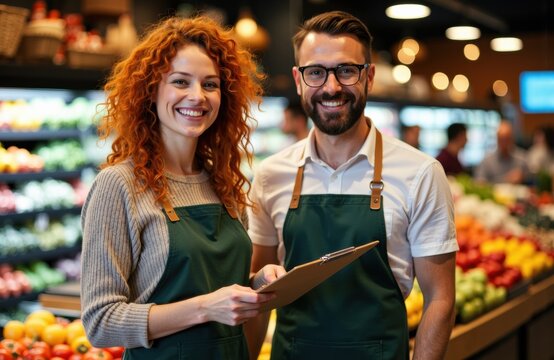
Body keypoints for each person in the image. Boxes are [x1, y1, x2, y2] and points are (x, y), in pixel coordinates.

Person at [247, 11, 458, 360]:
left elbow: (440, 300)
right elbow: (259, 296)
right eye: (316, 72)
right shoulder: (271, 175)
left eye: (346, 70)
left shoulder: (420, 173)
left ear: (369, 77)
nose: (331, 87)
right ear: (299, 80)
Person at [80, 16, 285, 360]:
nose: (197, 96)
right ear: (151, 91)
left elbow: (215, 288)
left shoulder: (225, 184)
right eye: (180, 81)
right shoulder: (119, 185)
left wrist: (255, 283)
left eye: (210, 84)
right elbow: (101, 322)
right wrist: (206, 307)